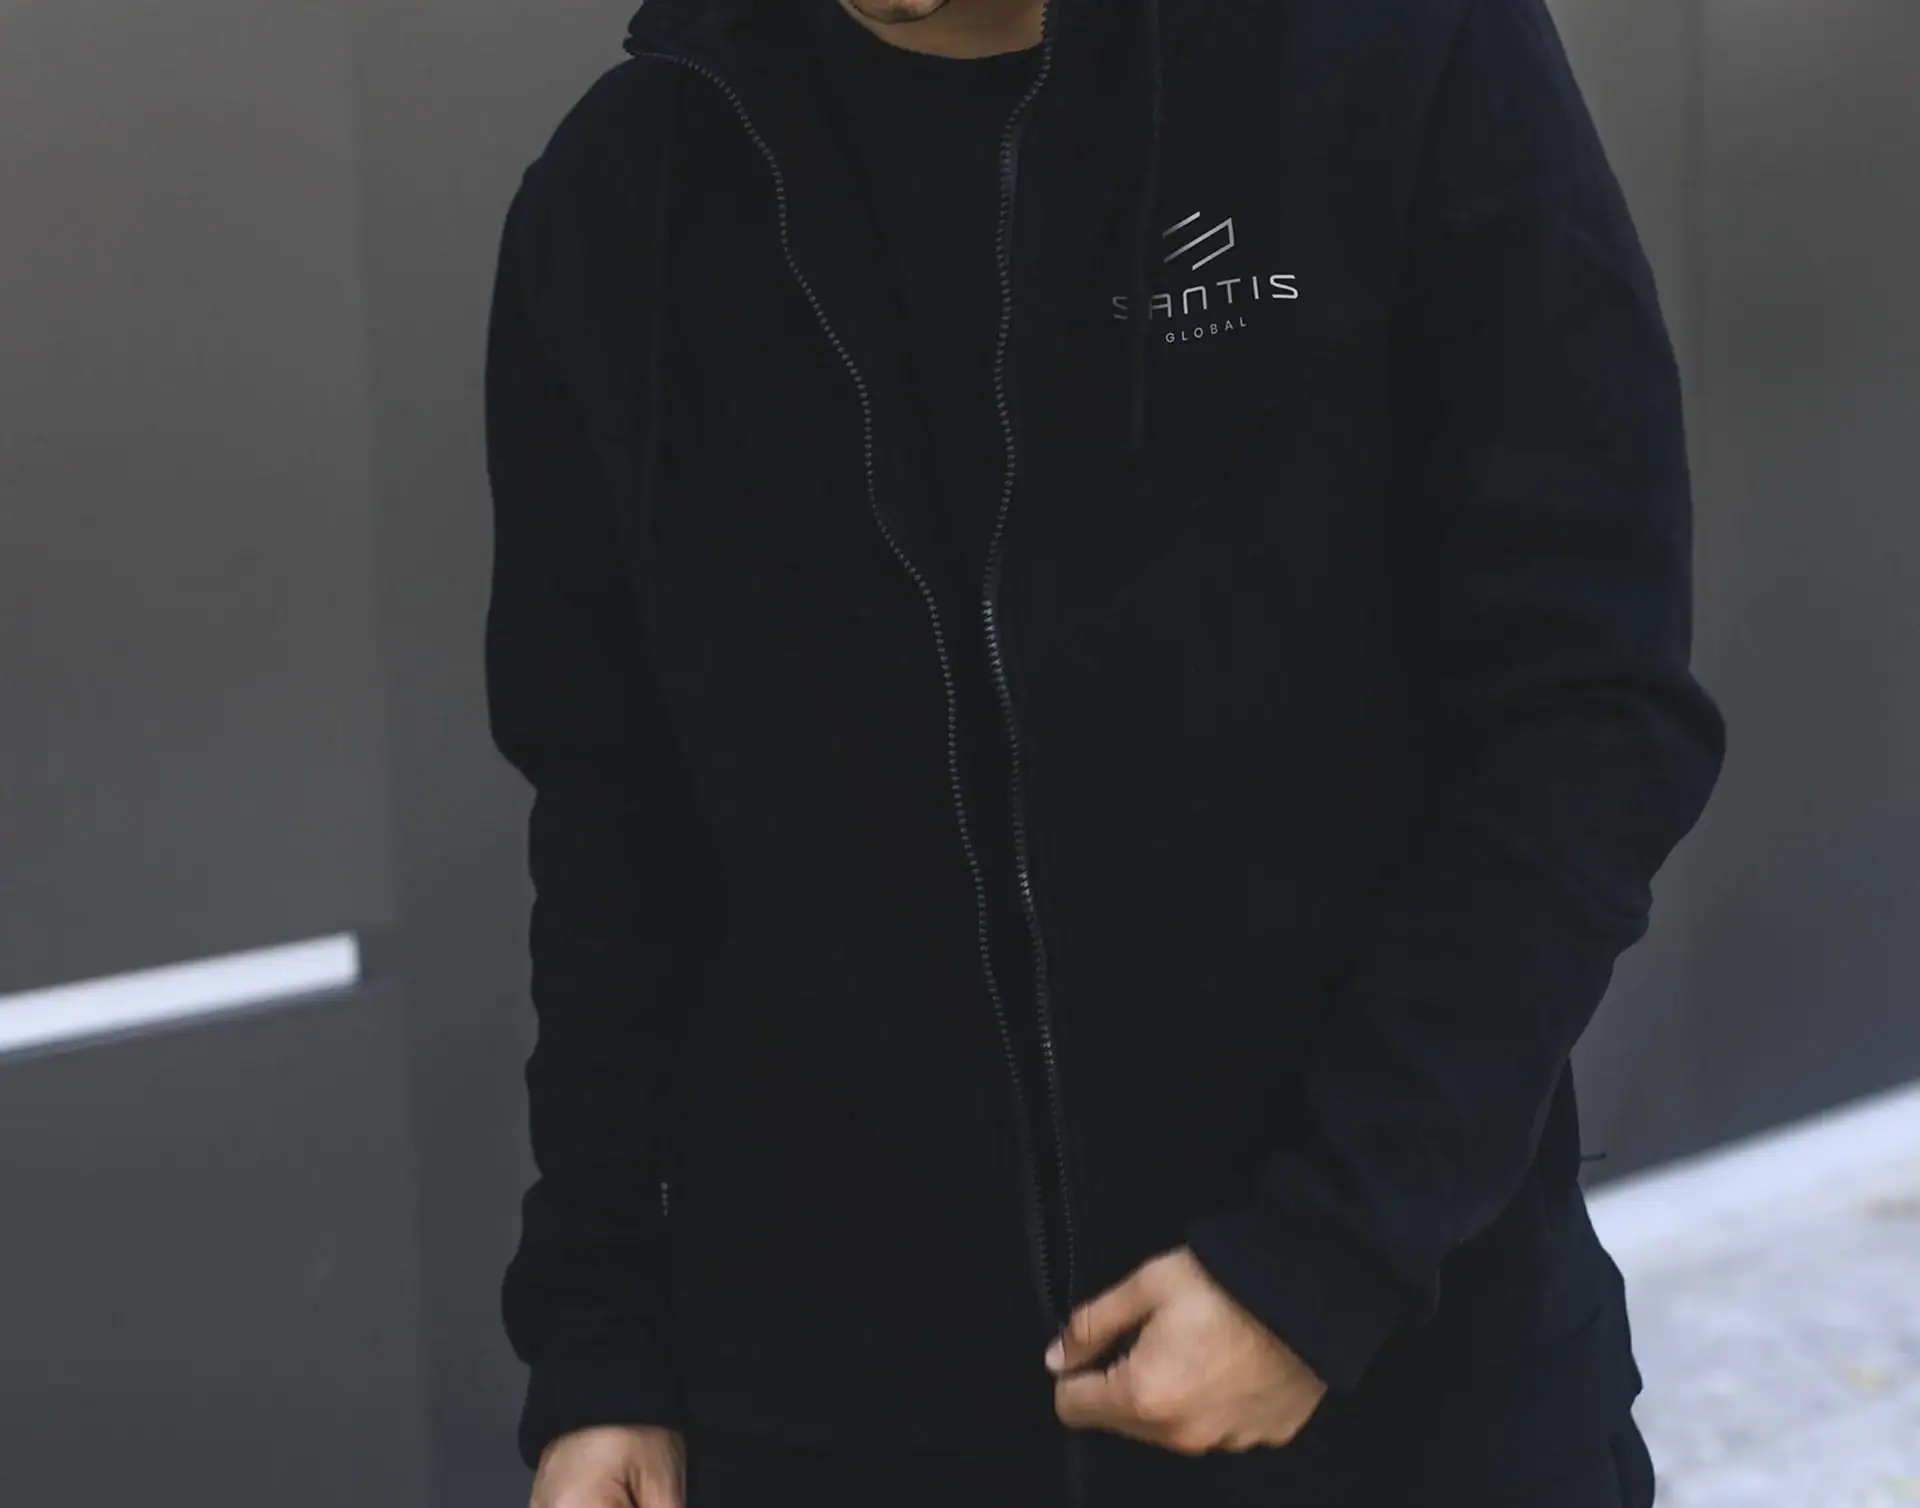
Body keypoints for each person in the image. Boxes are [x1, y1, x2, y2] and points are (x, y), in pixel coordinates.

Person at [481, 0, 1724, 1503]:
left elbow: (1588, 710)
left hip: (1398, 1388)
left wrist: (1327, 1250)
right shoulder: (625, 195)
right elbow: (612, 828)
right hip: (831, 1419)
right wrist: (602, 1346)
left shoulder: (1396, 53)